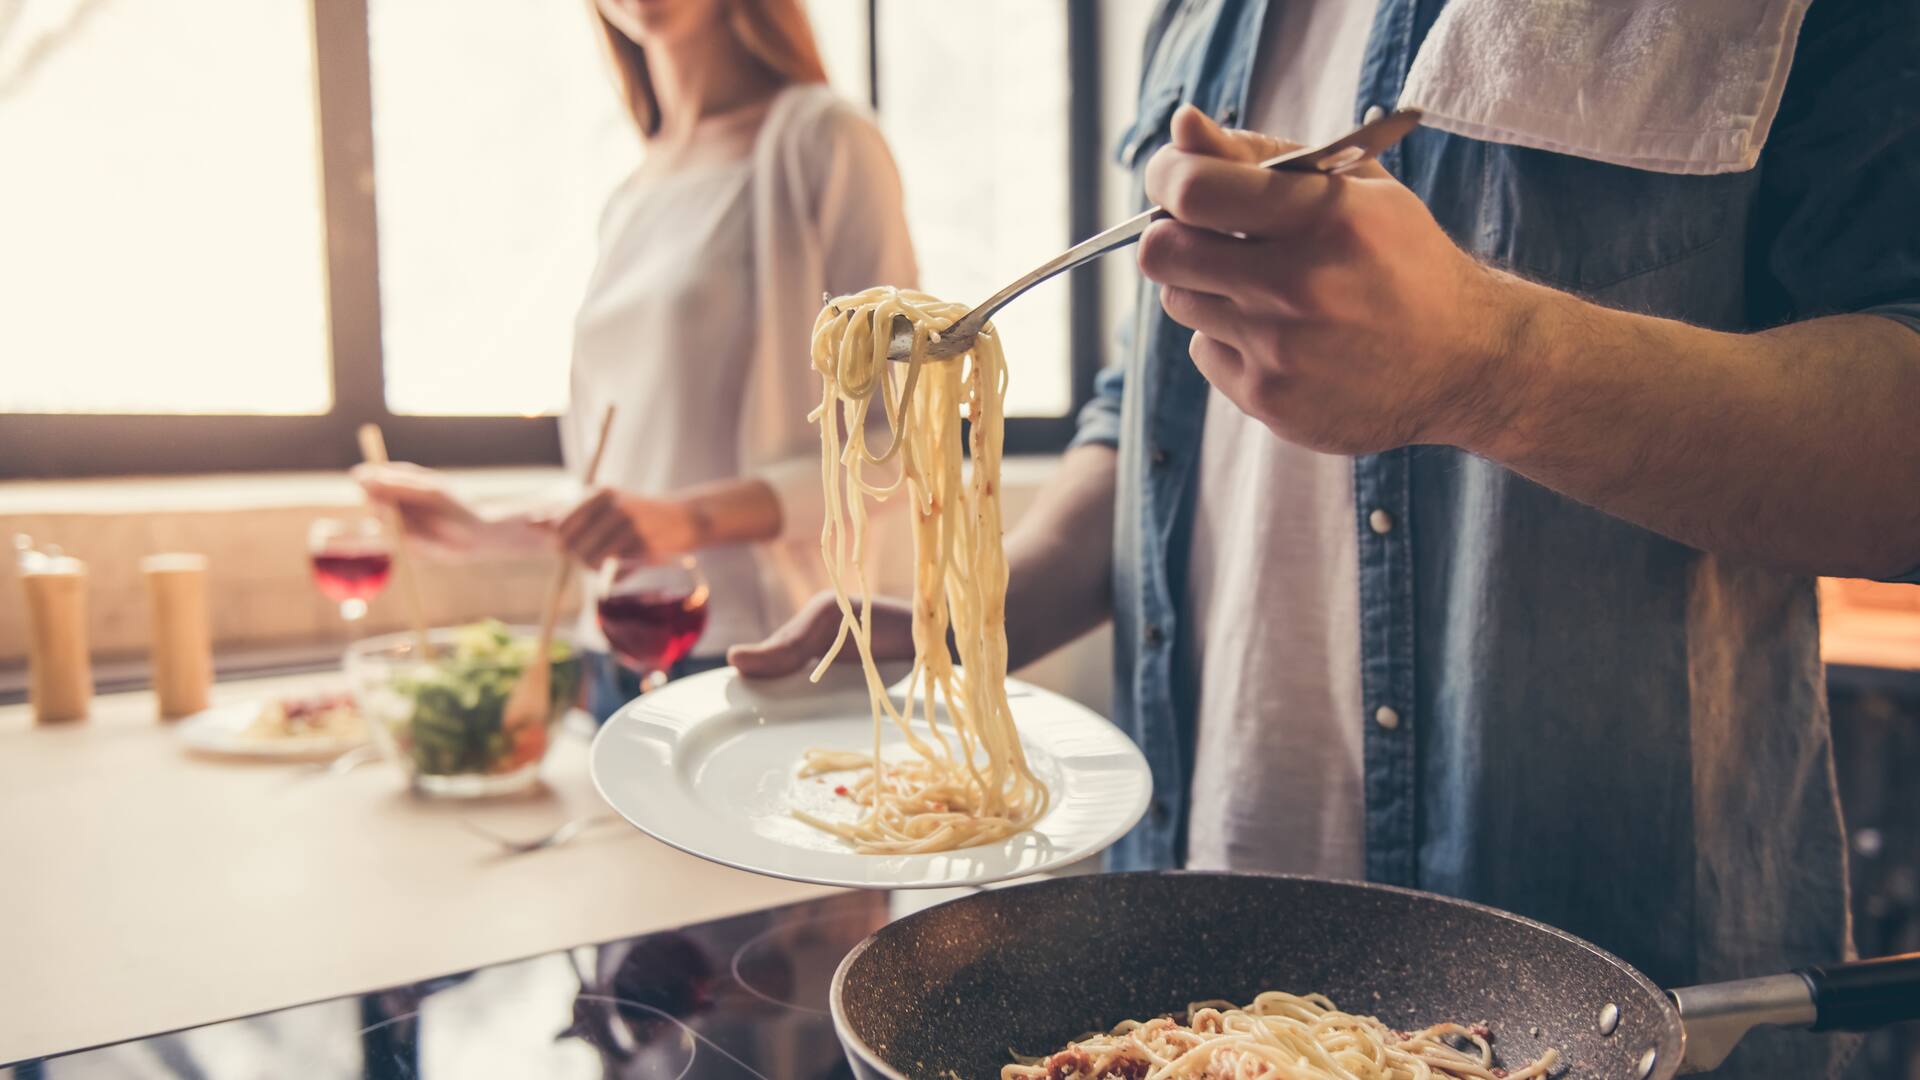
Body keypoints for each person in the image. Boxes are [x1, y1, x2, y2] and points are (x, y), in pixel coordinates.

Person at [732, 1, 1920, 1076]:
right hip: (1182, 993)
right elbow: (1149, 396)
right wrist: (982, 613)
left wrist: (1490, 368)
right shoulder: (1199, 16)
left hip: (1596, 988)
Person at [358, 0, 915, 719]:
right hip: (616, 650)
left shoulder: (826, 140)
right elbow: (635, 477)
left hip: (764, 655)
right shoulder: (633, 191)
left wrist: (690, 521)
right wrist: (482, 526)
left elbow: (899, 452)